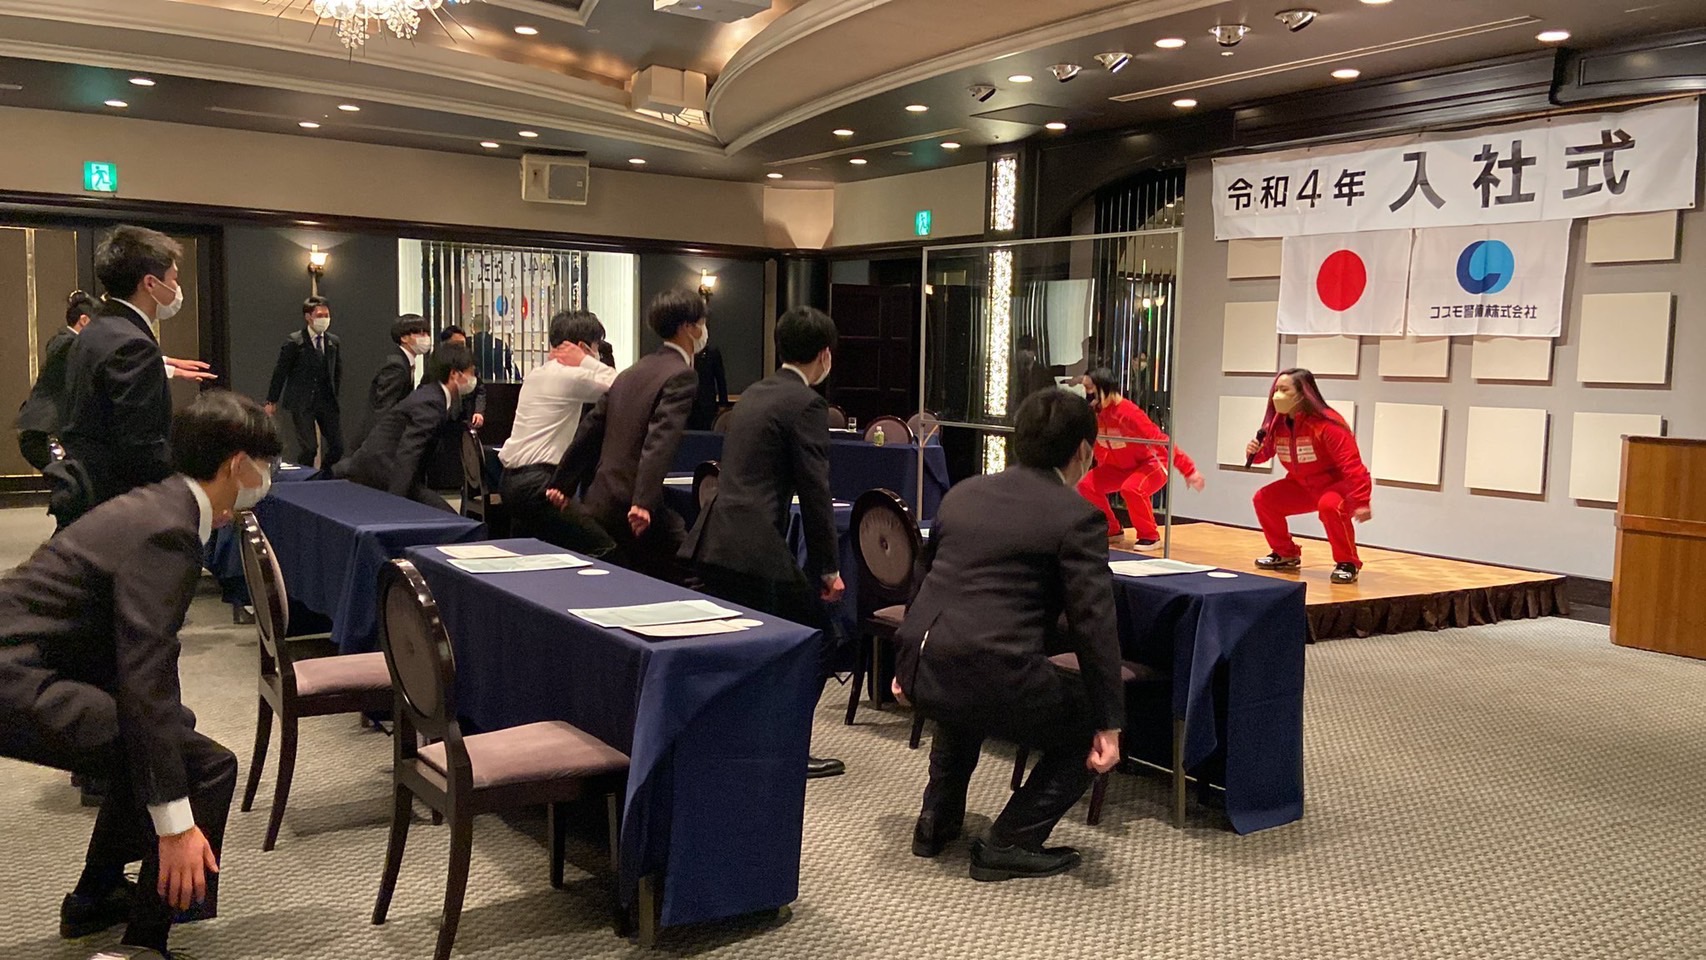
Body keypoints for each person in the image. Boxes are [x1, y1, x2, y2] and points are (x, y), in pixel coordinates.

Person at [0, 389, 280, 958]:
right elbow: (147, 670)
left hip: (29, 662)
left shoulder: (161, 502)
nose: (268, 475)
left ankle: (95, 897)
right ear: (237, 465)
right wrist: (175, 825)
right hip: (16, 678)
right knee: (205, 766)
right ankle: (144, 944)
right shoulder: (169, 532)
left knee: (166, 734)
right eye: (265, 462)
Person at [893, 388, 1124, 882]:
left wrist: (903, 667)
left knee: (965, 692)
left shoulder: (964, 493)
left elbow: (924, 583)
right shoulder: (1078, 516)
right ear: (1084, 451)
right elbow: (1093, 624)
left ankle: (935, 822)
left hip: (922, 666)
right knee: (1083, 721)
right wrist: (1109, 721)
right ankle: (1011, 840)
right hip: (985, 674)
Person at [681, 306, 847, 779]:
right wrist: (829, 569)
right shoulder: (807, 404)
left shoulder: (754, 392)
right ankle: (783, 747)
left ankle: (743, 738)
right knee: (820, 639)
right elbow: (815, 493)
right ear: (824, 355)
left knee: (750, 646)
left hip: (717, 536)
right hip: (755, 547)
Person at [545, 290, 702, 583]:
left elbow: (591, 427)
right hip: (633, 505)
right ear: (687, 327)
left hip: (601, 497)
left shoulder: (631, 372)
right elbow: (660, 438)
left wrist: (563, 483)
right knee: (690, 569)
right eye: (702, 323)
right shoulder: (681, 374)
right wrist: (643, 501)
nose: (704, 330)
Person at [60, 225, 215, 520]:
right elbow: (141, 447)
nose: (176, 287)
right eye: (173, 278)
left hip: (86, 488)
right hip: (117, 501)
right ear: (150, 283)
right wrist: (192, 491)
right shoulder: (134, 344)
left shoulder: (97, 329)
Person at [498, 311, 617, 555]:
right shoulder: (570, 376)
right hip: (538, 484)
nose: (598, 353)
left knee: (538, 555)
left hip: (511, 481)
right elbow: (622, 387)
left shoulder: (537, 373)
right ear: (582, 347)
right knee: (604, 547)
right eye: (596, 347)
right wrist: (585, 361)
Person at [1245, 367, 1372, 584]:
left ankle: (1347, 562)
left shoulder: (1328, 425)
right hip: (1301, 485)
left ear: (1303, 394)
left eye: (1285, 390)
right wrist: (1253, 452)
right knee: (1263, 499)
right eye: (1276, 390)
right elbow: (1264, 454)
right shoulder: (1277, 424)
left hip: (1335, 485)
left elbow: (1353, 466)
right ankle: (1285, 553)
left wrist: (1361, 501)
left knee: (1330, 506)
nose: (1278, 395)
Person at [334, 342, 479, 512]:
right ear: (454, 373)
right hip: (383, 470)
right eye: (471, 372)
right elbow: (409, 451)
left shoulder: (434, 395)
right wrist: (396, 503)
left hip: (388, 468)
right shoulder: (432, 403)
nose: (473, 378)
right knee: (445, 515)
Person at [1077, 368, 1203, 549]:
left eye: (1091, 389)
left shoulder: (1129, 413)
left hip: (1151, 464)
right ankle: (1112, 528)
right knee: (1086, 485)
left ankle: (1150, 535)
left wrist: (1188, 470)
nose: (1089, 394)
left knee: (1132, 489)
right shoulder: (1096, 414)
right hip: (1120, 467)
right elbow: (1099, 443)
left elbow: (1160, 440)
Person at [15, 291, 95, 471]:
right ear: (84, 320)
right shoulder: (66, 342)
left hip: (44, 429)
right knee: (67, 477)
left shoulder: (67, 342)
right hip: (44, 432)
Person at [263, 296, 344, 468]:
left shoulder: (333, 342)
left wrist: (334, 395)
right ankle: (305, 476)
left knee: (337, 447)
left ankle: (324, 475)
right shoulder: (295, 341)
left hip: (326, 401)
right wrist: (272, 400)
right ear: (308, 317)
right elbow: (280, 372)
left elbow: (336, 371)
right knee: (310, 448)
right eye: (319, 315)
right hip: (302, 402)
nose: (324, 319)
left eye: (327, 315)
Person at [369, 315, 431, 417]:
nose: (426, 338)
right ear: (404, 338)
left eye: (427, 333)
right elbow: (385, 407)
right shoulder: (396, 366)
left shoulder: (405, 361)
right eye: (420, 333)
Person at [437, 326, 487, 429]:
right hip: (444, 420)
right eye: (456, 344)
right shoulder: (437, 364)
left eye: (462, 344)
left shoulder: (469, 362)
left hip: (466, 417)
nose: (460, 348)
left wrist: (478, 411)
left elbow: (480, 390)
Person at [465, 314, 519, 383]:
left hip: (473, 385)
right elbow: (513, 369)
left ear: (473, 327)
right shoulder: (500, 344)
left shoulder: (467, 344)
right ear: (489, 328)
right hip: (498, 385)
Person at [687, 343, 728, 431]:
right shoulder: (683, 352)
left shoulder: (712, 353)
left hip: (706, 406)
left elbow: (720, 380)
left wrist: (723, 404)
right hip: (687, 405)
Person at [1013, 334, 1054, 404]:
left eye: (1025, 351)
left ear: (1033, 353)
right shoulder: (1020, 375)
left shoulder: (1044, 374)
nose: (1020, 355)